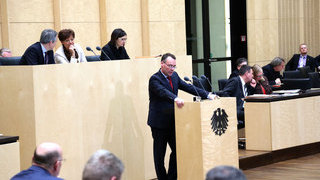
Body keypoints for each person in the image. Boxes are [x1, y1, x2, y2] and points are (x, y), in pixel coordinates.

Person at [148, 53, 217, 180]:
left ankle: (171, 178)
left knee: (178, 151)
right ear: (162, 64)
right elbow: (162, 92)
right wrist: (175, 98)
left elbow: (188, 87)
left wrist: (207, 95)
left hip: (173, 121)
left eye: (174, 66)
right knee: (159, 156)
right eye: (169, 66)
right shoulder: (154, 79)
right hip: (159, 123)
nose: (172, 69)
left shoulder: (174, 76)